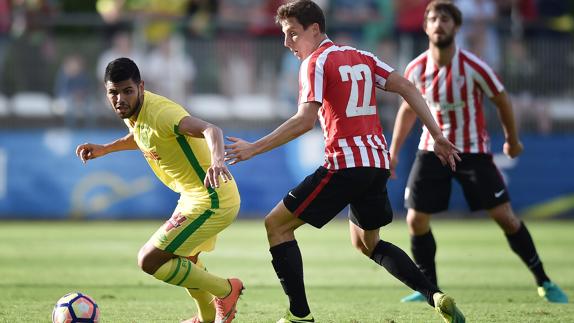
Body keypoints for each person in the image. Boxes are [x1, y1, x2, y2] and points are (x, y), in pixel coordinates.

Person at [225, 1, 465, 322]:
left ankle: (299, 316)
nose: (287, 44)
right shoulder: (362, 57)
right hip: (376, 164)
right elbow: (408, 86)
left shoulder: (314, 63)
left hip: (345, 165)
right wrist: (436, 134)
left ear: (314, 29)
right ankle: (435, 295)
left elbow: (304, 120)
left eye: (293, 34)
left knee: (276, 226)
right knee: (367, 243)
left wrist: (255, 147)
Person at [389, 0, 568, 304]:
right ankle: (428, 287)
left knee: (506, 218)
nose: (439, 24)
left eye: (445, 19)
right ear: (425, 26)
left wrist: (512, 139)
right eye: (433, 19)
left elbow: (502, 100)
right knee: (415, 220)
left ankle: (544, 281)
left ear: (456, 27)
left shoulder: (474, 67)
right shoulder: (416, 68)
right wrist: (393, 152)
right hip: (431, 150)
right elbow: (407, 110)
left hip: (471, 151)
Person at [75, 57, 244, 323]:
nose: (120, 99)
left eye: (127, 91)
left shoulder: (161, 113)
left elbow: (212, 130)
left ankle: (226, 290)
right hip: (193, 197)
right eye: (113, 92)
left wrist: (217, 161)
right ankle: (206, 318)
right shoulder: (134, 112)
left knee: (149, 260)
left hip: (212, 199)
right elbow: (142, 136)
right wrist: (106, 148)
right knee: (187, 262)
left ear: (141, 87)